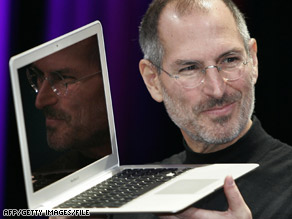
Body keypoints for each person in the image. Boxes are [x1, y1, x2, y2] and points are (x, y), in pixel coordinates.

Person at [112, 0, 292, 218]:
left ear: (252, 60)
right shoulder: (135, 197)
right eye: (190, 68)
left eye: (230, 59)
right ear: (153, 81)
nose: (217, 90)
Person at [26, 36, 112, 190]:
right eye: (39, 77)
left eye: (63, 79)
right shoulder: (40, 188)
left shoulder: (158, 166)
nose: (40, 101)